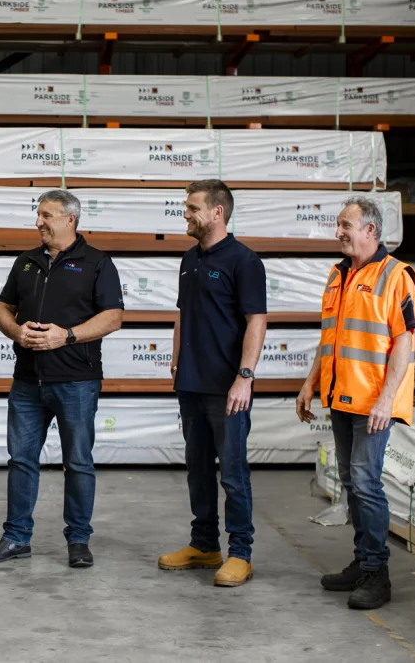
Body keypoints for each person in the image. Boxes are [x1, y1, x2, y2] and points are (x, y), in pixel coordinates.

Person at [0, 189, 124, 568]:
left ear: (70, 219)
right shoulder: (26, 262)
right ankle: (16, 538)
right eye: (38, 214)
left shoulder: (97, 263)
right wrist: (15, 331)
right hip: (27, 381)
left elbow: (113, 317)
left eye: (46, 215)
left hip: (76, 382)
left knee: (78, 462)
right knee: (21, 460)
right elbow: (2, 308)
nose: (38, 222)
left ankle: (78, 540)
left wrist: (67, 336)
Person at [296, 196, 415, 610]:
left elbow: (404, 343)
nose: (338, 232)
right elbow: (329, 339)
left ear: (371, 230)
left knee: (365, 483)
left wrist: (386, 399)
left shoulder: (396, 275)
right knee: (351, 482)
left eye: (346, 225)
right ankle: (363, 560)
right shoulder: (338, 274)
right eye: (338, 225)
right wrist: (310, 383)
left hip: (373, 404)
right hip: (340, 398)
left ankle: (376, 573)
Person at [158, 179, 267, 588]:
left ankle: (240, 552)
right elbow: (182, 313)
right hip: (191, 384)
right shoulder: (190, 258)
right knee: (198, 470)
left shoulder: (244, 261)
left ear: (217, 212)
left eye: (192, 208)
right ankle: (204, 545)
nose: (185, 214)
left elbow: (256, 320)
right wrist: (175, 358)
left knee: (233, 474)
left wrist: (244, 377)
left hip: (227, 388)